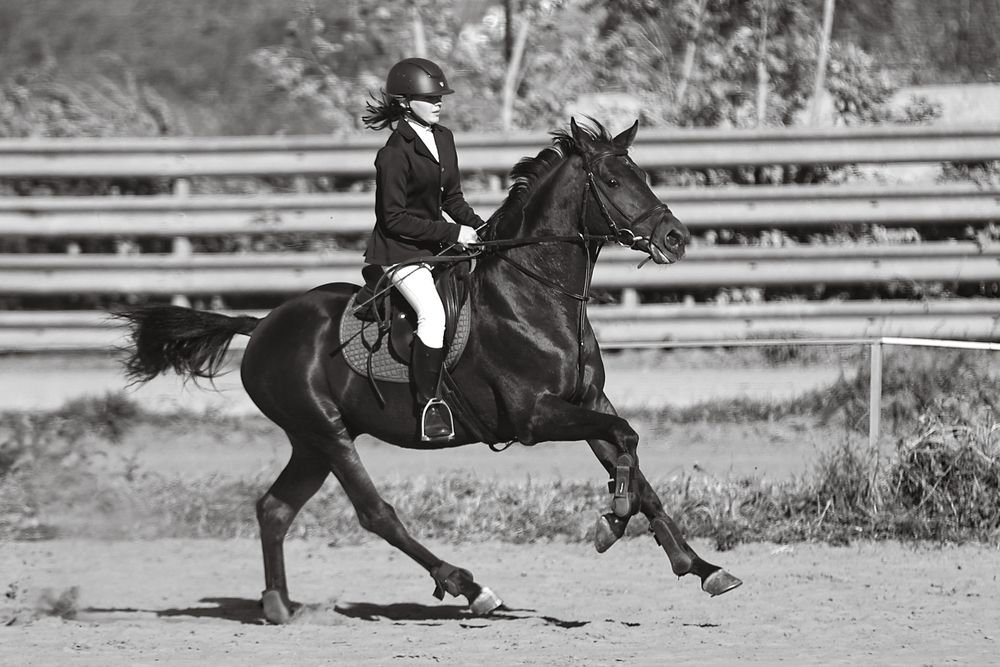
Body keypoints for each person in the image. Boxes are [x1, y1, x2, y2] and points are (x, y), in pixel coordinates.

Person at [362, 57, 484, 442]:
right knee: (433, 315)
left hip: (436, 246)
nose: (438, 102)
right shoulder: (394, 153)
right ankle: (429, 404)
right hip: (401, 252)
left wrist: (483, 227)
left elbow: (454, 198)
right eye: (429, 97)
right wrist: (453, 232)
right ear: (405, 102)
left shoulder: (444, 137)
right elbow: (393, 219)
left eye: (440, 96)